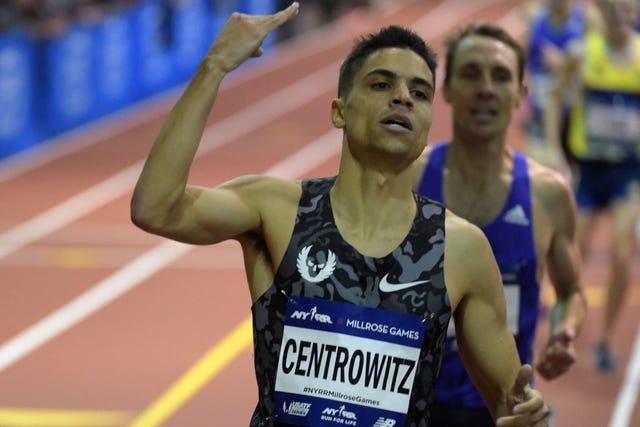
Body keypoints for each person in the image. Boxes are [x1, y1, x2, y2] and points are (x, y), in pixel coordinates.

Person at [130, 3, 550, 425]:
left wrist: (526, 415)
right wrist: (214, 66)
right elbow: (156, 208)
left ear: (426, 123)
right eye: (382, 84)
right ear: (339, 111)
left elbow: (509, 404)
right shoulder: (278, 210)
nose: (403, 96)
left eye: (419, 93)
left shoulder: (460, 248)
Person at [412, 23, 586, 427]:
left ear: (521, 93)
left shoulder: (548, 194)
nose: (486, 88)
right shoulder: (408, 179)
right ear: (448, 90)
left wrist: (565, 331)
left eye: (501, 76)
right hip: (410, 407)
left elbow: (572, 291)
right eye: (471, 74)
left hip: (506, 410)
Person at [547, 0, 640, 372]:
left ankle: (603, 340)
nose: (625, 20)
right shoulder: (583, 53)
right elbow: (554, 99)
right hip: (589, 171)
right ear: (604, 15)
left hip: (628, 174)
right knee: (572, 257)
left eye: (631, 13)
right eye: (618, 12)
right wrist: (557, 152)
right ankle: (563, 324)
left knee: (621, 254)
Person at [522, 0, 591, 170]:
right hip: (541, 108)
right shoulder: (535, 16)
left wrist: (564, 63)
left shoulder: (586, 19)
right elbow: (524, 56)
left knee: (573, 174)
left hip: (573, 113)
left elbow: (595, 64)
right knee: (539, 171)